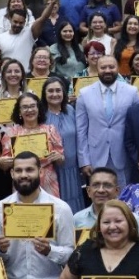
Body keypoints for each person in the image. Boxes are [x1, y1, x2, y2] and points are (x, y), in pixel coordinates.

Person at [76, 54, 139, 186]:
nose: (107, 70)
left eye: (111, 67)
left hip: (124, 156)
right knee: (100, 197)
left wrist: (138, 156)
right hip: (96, 157)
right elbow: (81, 130)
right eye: (103, 67)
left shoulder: (132, 92)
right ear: (97, 69)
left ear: (117, 68)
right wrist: (84, 161)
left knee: (123, 200)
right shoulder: (84, 94)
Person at [0, 92, 65, 197]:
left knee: (50, 211)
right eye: (25, 107)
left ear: (38, 109)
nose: (29, 110)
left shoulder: (50, 129)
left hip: (48, 181)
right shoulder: (11, 133)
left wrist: (59, 157)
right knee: (25, 212)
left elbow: (61, 160)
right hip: (22, 180)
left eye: (32, 106)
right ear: (19, 111)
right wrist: (2, 161)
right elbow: (3, 164)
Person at [42, 77, 84, 212]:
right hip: (51, 170)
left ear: (64, 92)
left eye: (58, 90)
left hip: (72, 169)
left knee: (73, 204)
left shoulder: (71, 110)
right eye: (50, 91)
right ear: (44, 94)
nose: (55, 94)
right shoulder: (40, 115)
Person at [74, 167, 139, 231]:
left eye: (107, 185)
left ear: (117, 191)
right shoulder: (77, 219)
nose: (101, 190)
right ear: (88, 191)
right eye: (96, 185)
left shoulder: (133, 220)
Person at [0, 4, 51, 71]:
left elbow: (43, 18)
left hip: (26, 75)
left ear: (25, 22)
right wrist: (5, 67)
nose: (17, 25)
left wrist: (52, 4)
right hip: (5, 75)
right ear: (10, 19)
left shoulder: (30, 33)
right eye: (15, 22)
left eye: (21, 23)